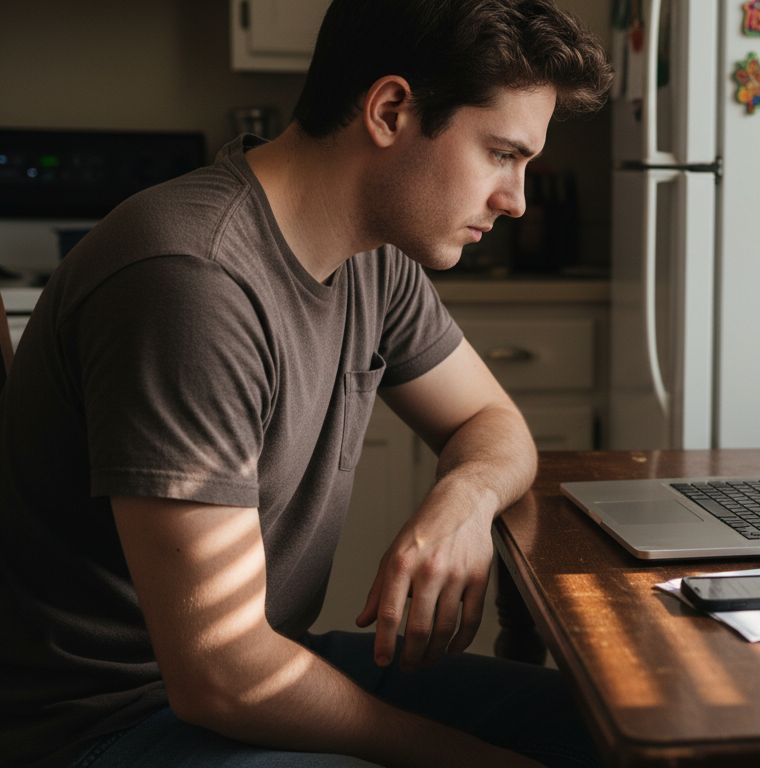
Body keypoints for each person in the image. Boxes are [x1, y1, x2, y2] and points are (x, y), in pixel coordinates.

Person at [0, 1, 611, 766]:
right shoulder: (192, 282)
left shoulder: (373, 257)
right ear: (390, 112)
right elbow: (220, 678)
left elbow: (492, 421)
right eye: (501, 154)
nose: (516, 199)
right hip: (110, 723)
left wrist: (463, 501)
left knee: (613, 725)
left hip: (264, 662)